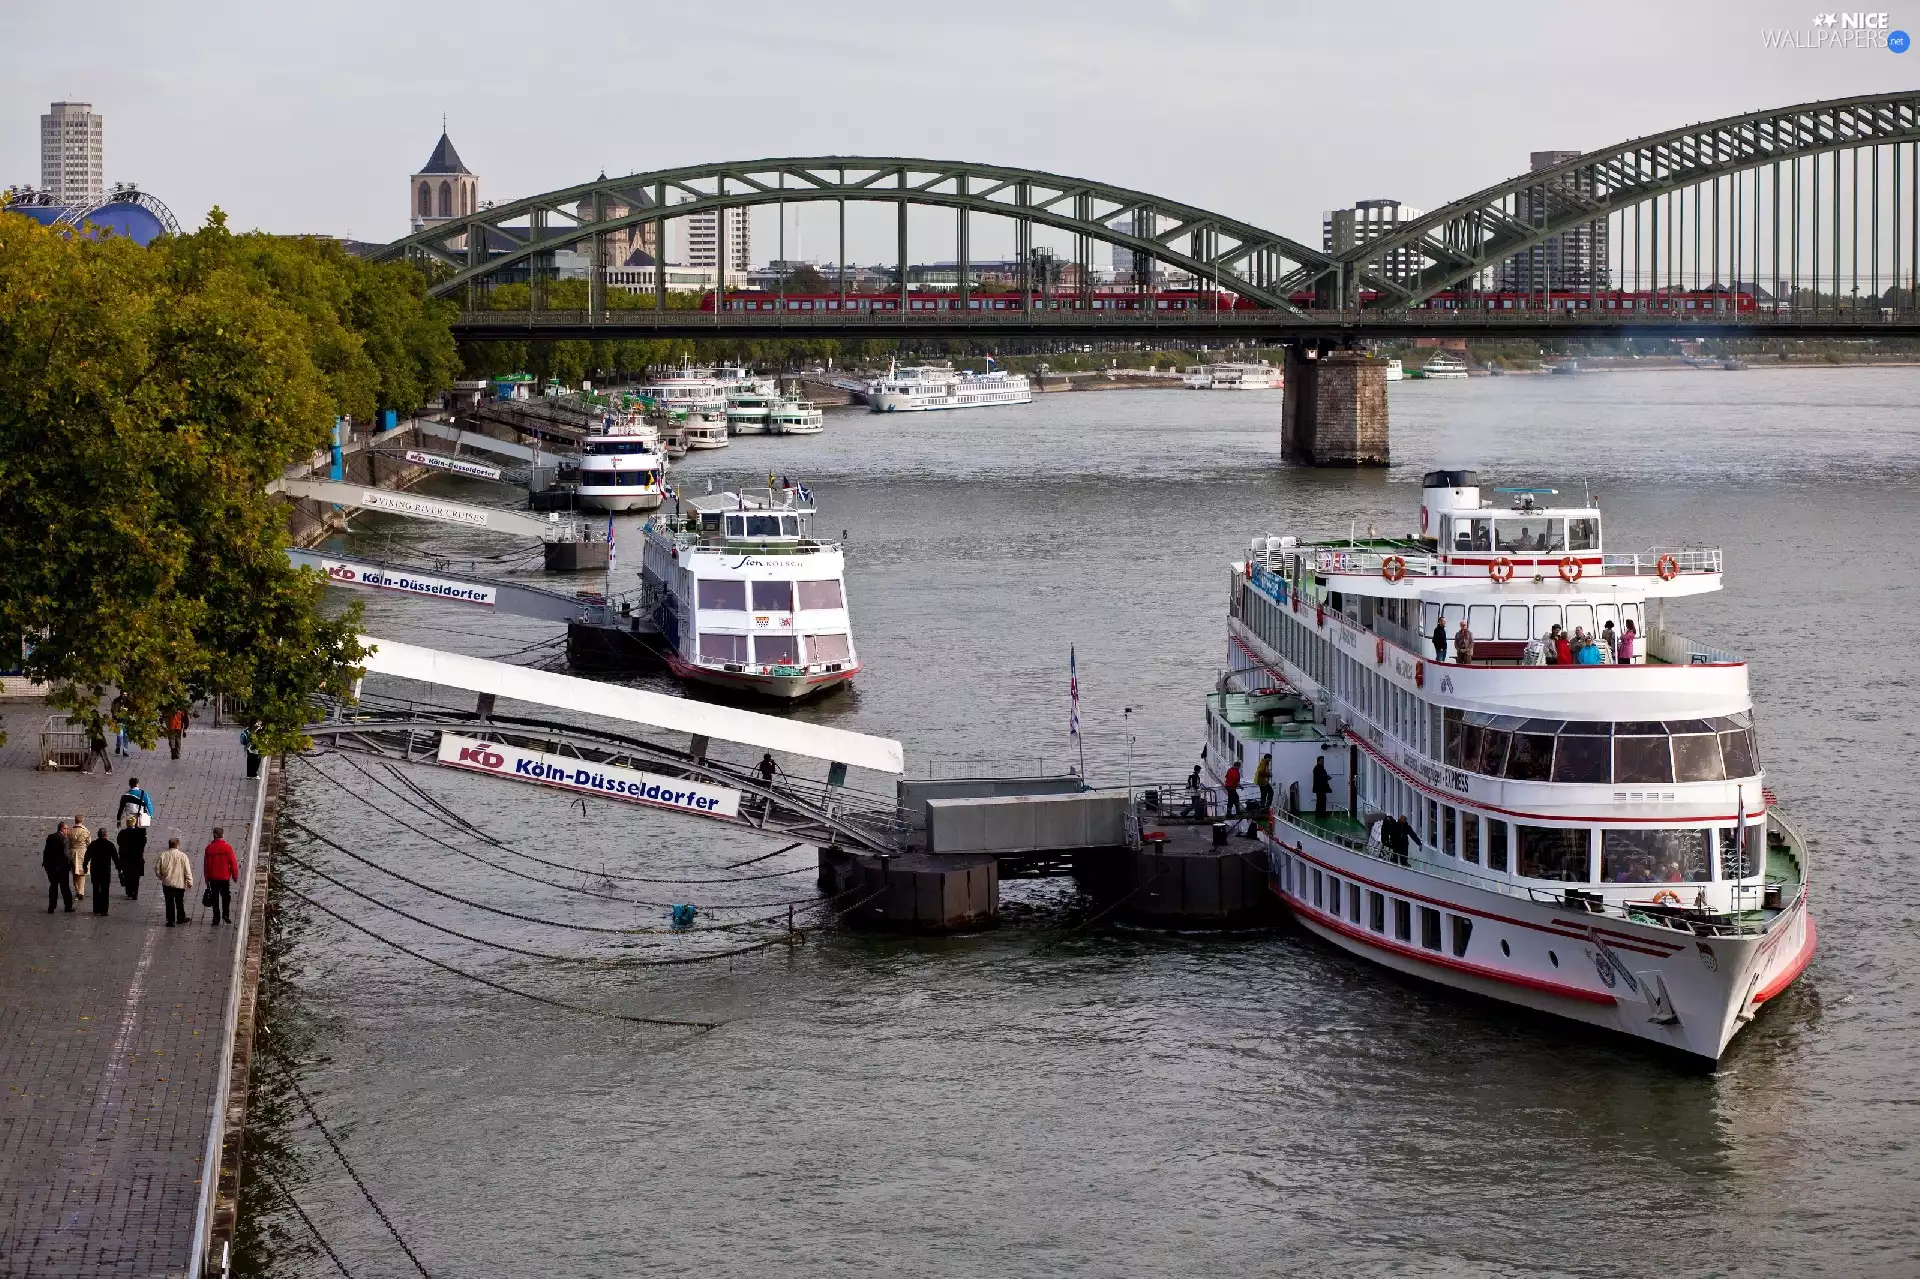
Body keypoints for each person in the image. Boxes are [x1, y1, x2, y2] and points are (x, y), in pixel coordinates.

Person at [203, 827, 238, 926]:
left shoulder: (209, 848)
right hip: (224, 878)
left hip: (213, 878)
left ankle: (216, 917)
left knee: (215, 898)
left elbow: (206, 865)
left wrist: (206, 878)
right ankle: (225, 915)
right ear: (222, 835)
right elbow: (233, 863)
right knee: (226, 896)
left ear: (214, 835)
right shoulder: (227, 847)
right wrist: (235, 876)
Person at [156, 837, 193, 927]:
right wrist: (190, 881)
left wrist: (160, 876)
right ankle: (180, 918)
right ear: (177, 845)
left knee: (169, 902)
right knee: (179, 901)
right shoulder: (183, 856)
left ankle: (170, 921)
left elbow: (157, 868)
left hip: (167, 883)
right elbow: (187, 870)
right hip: (179, 883)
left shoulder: (163, 855)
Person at [83, 827, 117, 915]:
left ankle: (96, 909)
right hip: (105, 870)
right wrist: (119, 867)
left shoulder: (93, 844)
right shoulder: (110, 845)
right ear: (106, 835)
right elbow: (115, 858)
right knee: (105, 890)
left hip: (95, 869)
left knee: (96, 889)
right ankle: (104, 910)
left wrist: (85, 866)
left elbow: (87, 856)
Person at [43, 822, 74, 913]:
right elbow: (66, 854)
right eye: (66, 829)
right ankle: (68, 906)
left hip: (51, 867)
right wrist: (72, 864)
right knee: (65, 887)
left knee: (53, 886)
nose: (68, 830)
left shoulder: (50, 837)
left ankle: (51, 907)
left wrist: (46, 863)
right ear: (62, 829)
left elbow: (46, 851)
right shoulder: (64, 839)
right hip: (62, 868)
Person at [116, 817, 147, 900]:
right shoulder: (139, 833)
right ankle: (135, 893)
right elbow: (144, 842)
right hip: (137, 859)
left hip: (125, 859)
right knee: (136, 877)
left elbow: (118, 842)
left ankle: (129, 891)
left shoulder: (122, 833)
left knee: (127, 875)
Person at [67, 815, 90, 898]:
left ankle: (77, 890)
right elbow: (89, 843)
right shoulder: (85, 831)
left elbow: (68, 843)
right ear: (82, 821)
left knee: (74, 872)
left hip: (73, 852)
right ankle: (81, 891)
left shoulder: (70, 831)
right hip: (82, 853)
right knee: (82, 872)